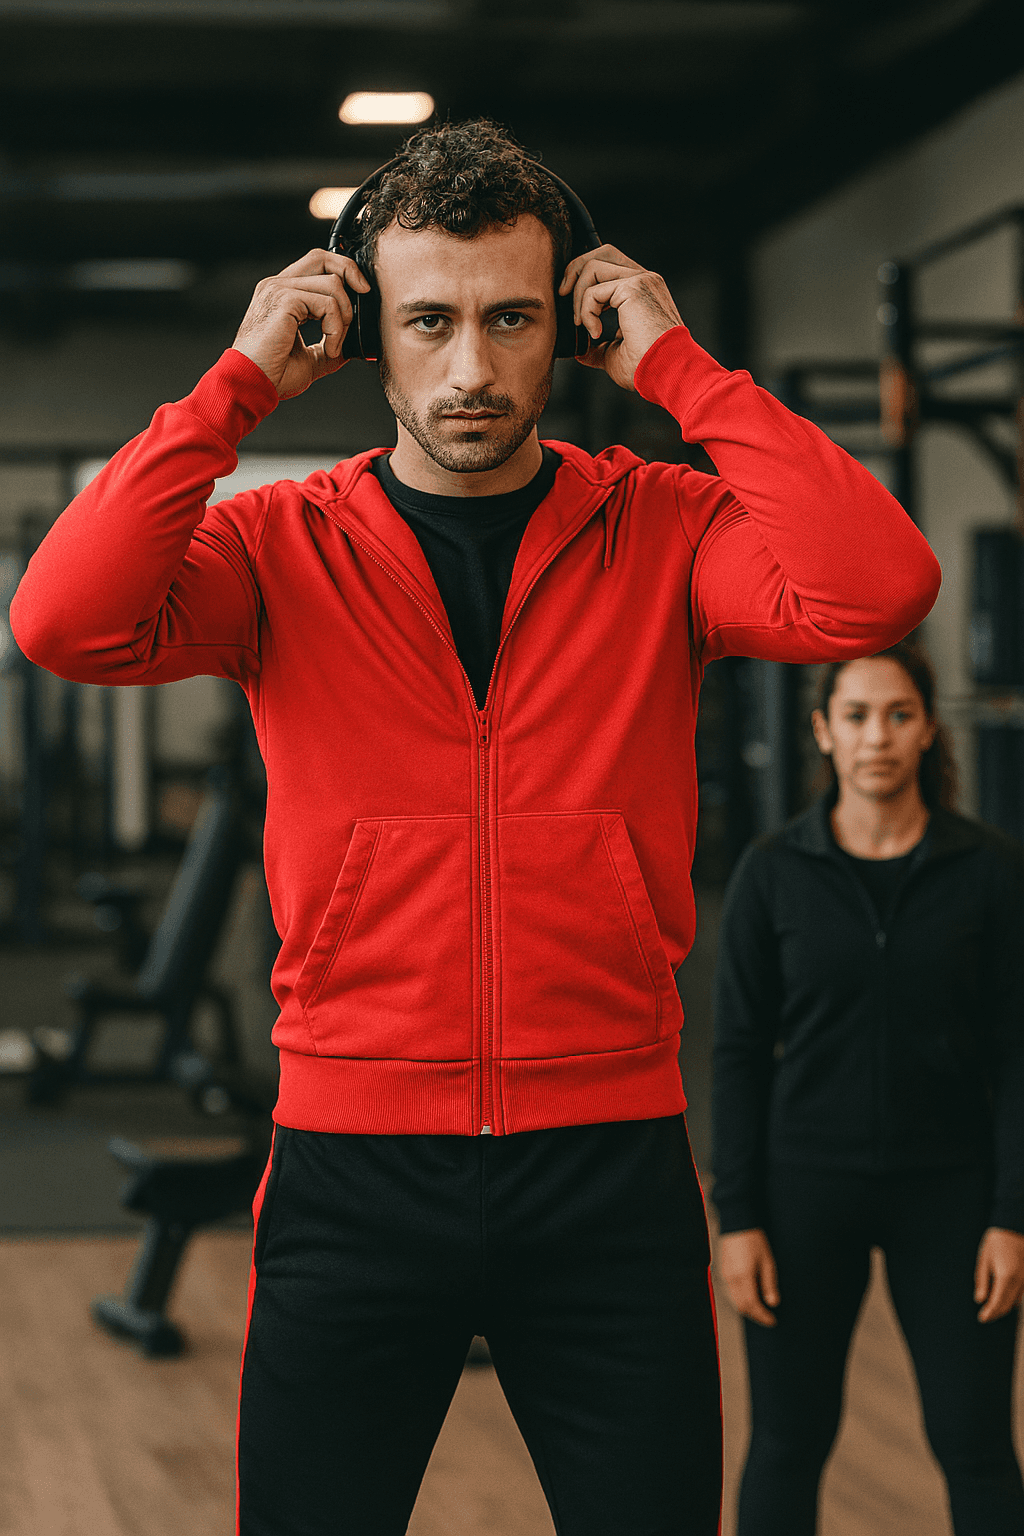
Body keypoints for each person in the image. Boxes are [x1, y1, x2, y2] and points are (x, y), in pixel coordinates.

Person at [11, 118, 939, 1536]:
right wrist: (236, 386)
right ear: (361, 332)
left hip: (611, 1167)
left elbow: (878, 590)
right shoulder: (277, 547)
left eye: (510, 320)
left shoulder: (664, 530)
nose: (470, 370)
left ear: (570, 324)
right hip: (351, 1168)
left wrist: (681, 371)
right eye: (428, 321)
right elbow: (62, 622)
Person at [713, 641, 1024, 1536]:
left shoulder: (990, 871)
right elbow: (737, 1053)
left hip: (952, 1194)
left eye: (897, 715)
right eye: (856, 716)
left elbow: (1017, 1053)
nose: (876, 737)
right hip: (803, 1192)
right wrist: (739, 1219)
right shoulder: (773, 873)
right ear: (823, 731)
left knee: (974, 1444)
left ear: (927, 729)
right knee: (787, 1442)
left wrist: (1012, 1214)